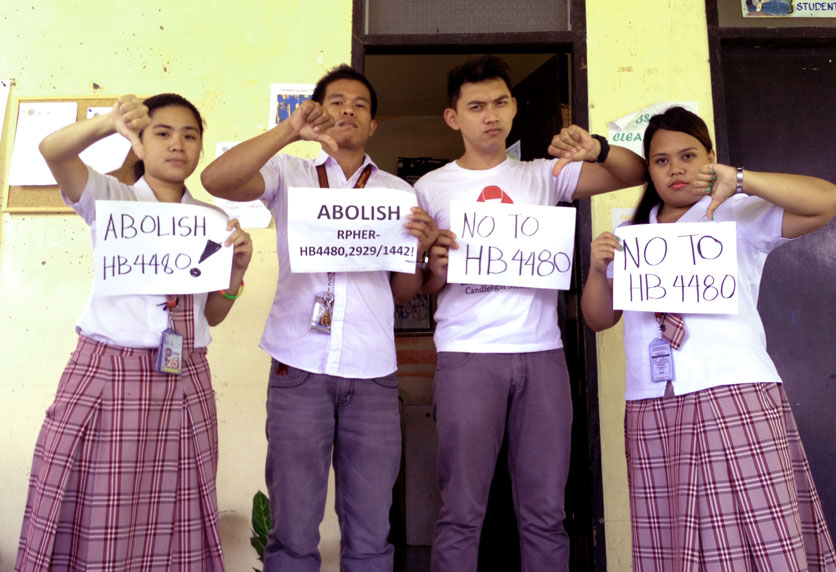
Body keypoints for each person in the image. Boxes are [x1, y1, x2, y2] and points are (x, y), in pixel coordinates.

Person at [581, 106, 836, 571]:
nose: (676, 169)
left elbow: (828, 200)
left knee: (762, 531)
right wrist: (598, 271)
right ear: (649, 170)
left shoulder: (736, 215)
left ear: (711, 158)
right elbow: (600, 320)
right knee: (672, 537)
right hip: (654, 402)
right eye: (661, 160)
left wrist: (741, 180)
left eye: (688, 156)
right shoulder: (630, 237)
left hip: (735, 391)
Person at [414, 55, 647, 571]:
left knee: (545, 513)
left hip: (542, 356)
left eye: (500, 102)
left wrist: (599, 148)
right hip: (466, 356)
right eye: (476, 106)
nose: (490, 115)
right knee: (460, 513)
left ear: (515, 107)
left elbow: (632, 173)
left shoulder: (548, 175)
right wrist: (435, 266)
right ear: (454, 118)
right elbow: (424, 285)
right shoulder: (430, 188)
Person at [201, 64, 437, 571]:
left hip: (373, 373)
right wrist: (288, 131)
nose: (347, 109)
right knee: (292, 532)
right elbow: (216, 178)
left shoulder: (397, 193)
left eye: (360, 104)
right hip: (297, 365)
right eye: (336, 101)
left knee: (372, 533)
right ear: (318, 112)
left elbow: (402, 293)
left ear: (374, 124)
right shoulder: (289, 174)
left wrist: (416, 254)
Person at [16, 93, 252, 571]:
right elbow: (52, 150)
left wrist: (235, 274)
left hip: (185, 376)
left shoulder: (212, 220)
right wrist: (108, 122)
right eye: (162, 133)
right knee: (99, 504)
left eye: (190, 135)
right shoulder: (110, 200)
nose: (177, 144)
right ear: (139, 144)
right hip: (110, 373)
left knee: (178, 505)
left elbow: (210, 318)